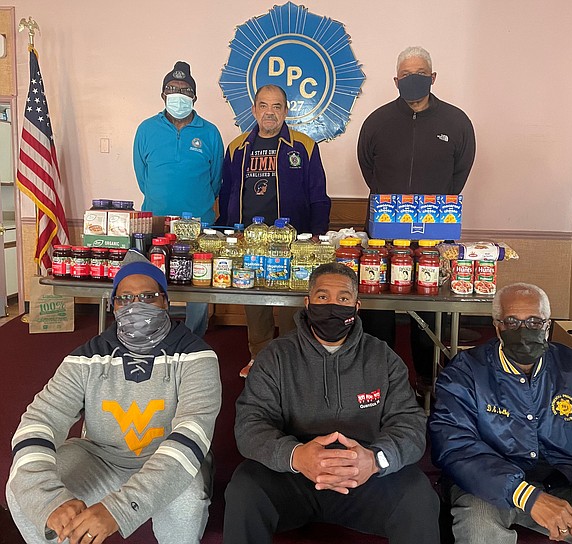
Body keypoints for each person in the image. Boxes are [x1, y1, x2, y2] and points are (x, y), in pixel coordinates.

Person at [6, 253, 222, 544]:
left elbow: (191, 437)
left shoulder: (198, 356)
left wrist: (120, 509)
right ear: (113, 305)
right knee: (22, 491)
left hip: (167, 460)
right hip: (100, 457)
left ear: (166, 303)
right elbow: (39, 421)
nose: (136, 306)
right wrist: (48, 500)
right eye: (125, 299)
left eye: (148, 296)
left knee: (187, 500)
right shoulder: (86, 357)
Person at [223, 262, 440, 543]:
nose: (332, 306)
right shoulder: (275, 356)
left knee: (418, 494)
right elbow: (250, 425)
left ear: (357, 306)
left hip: (364, 476)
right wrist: (295, 456)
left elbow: (410, 424)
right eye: (323, 297)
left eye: (343, 299)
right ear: (307, 302)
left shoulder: (382, 357)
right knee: (244, 488)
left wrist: (375, 460)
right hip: (294, 474)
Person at [428, 283, 572, 544]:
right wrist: (526, 496)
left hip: (568, 480)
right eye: (512, 322)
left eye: (534, 321)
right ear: (497, 325)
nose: (524, 331)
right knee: (478, 526)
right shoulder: (465, 373)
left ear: (547, 325)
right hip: (492, 487)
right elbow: (454, 446)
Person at [357, 46, 476, 392]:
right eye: (407, 75)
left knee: (430, 306)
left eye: (421, 74)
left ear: (433, 78)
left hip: (434, 236)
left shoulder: (456, 122)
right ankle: (381, 380)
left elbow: (459, 175)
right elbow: (369, 169)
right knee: (378, 308)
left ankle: (427, 377)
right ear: (396, 80)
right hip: (384, 235)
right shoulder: (376, 122)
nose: (414, 80)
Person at [217, 84, 331, 378]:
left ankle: (293, 360)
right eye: (264, 106)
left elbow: (318, 194)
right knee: (256, 302)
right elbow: (227, 191)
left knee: (291, 302)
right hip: (250, 242)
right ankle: (260, 358)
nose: (270, 112)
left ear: (286, 111)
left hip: (293, 243)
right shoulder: (237, 147)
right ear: (254, 110)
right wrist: (231, 231)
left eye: (277, 106)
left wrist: (317, 233)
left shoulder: (304, 146)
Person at [133, 60, 224, 337]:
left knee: (199, 281)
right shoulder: (146, 129)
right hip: (156, 221)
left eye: (185, 90)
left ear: (194, 97)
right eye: (172, 89)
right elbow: (142, 176)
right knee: (155, 280)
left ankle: (194, 337)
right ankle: (155, 332)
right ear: (163, 95)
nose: (178, 95)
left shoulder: (210, 132)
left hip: (199, 223)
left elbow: (216, 179)